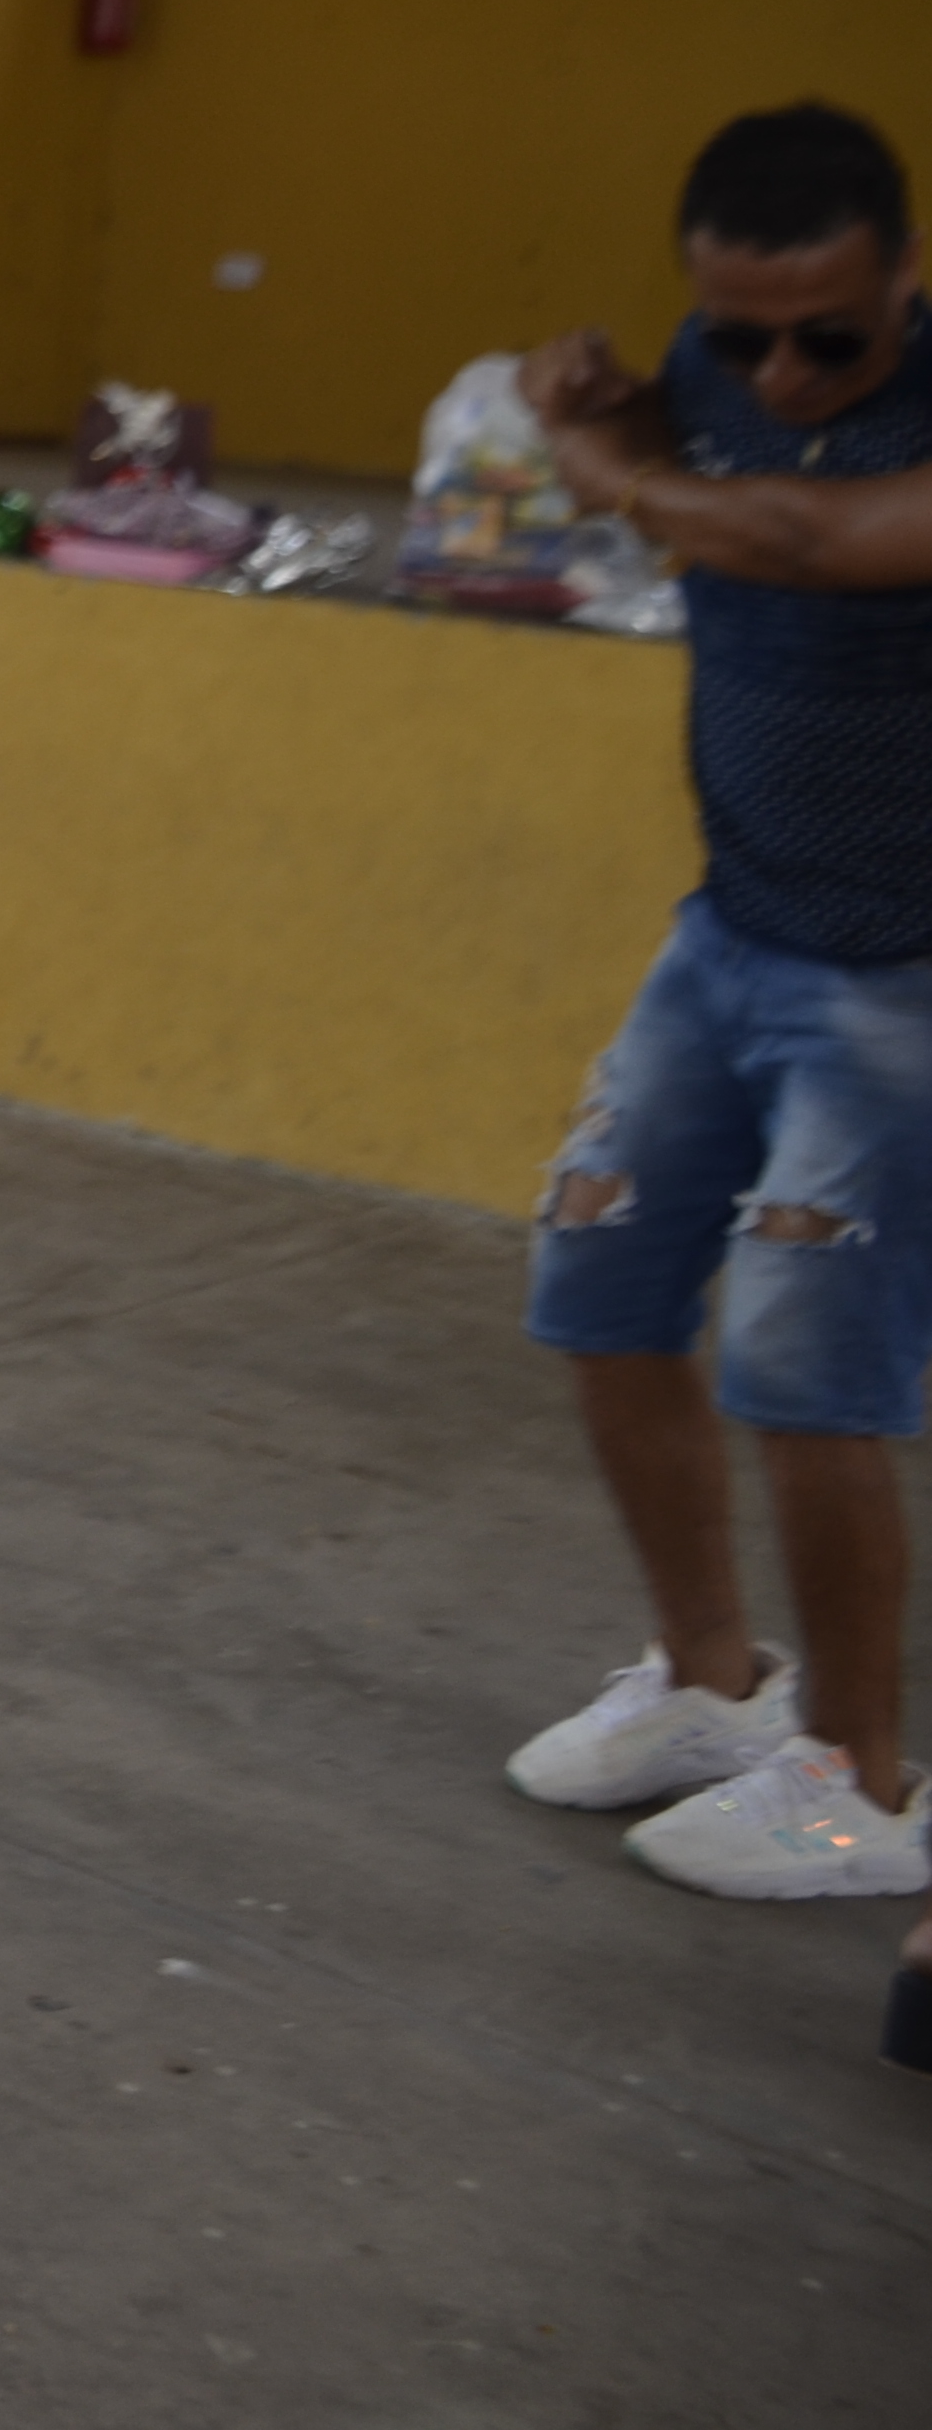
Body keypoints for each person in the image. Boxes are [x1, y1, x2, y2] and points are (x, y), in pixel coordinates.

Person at [512, 102, 932, 2002]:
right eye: (734, 330)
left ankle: (862, 1776)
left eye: (818, 337)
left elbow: (796, 533)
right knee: (597, 1278)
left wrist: (602, 455)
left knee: (801, 1360)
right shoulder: (701, 372)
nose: (768, 370)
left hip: (901, 973)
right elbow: (704, 462)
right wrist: (612, 410)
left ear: (899, 281)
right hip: (728, 926)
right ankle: (706, 1683)